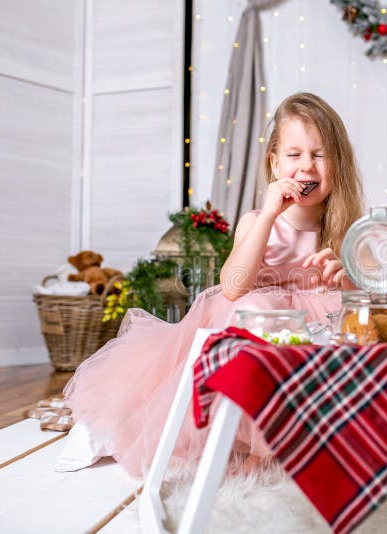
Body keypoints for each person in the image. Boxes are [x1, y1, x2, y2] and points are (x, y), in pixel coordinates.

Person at [58, 92, 366, 477]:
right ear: (274, 163)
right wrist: (270, 214)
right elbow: (234, 286)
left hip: (319, 328)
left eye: (320, 155)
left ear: (338, 164)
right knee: (257, 313)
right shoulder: (257, 221)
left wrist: (346, 276)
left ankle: (294, 441)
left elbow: (366, 303)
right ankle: (112, 428)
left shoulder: (348, 231)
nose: (307, 166)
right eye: (295, 154)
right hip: (255, 323)